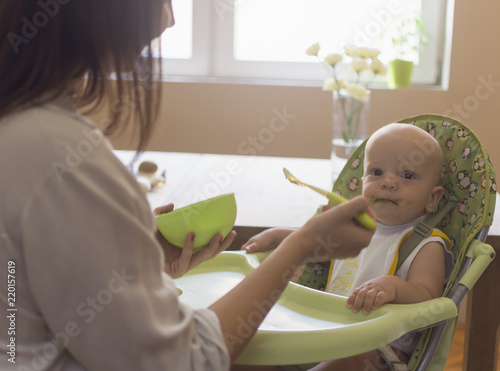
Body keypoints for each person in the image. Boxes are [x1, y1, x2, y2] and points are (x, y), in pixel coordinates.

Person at [0, 1, 374, 370]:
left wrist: (130, 259)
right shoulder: (66, 160)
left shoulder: (23, 129)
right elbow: (183, 360)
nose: (170, 19)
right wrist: (299, 248)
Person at [240, 124, 454, 370]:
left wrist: (395, 287)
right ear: (362, 181)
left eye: (407, 176)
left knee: (352, 359)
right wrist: (279, 237)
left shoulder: (425, 244)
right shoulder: (352, 228)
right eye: (376, 171)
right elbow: (315, 242)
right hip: (329, 333)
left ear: (432, 198)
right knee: (255, 348)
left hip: (381, 350)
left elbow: (429, 298)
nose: (389, 182)